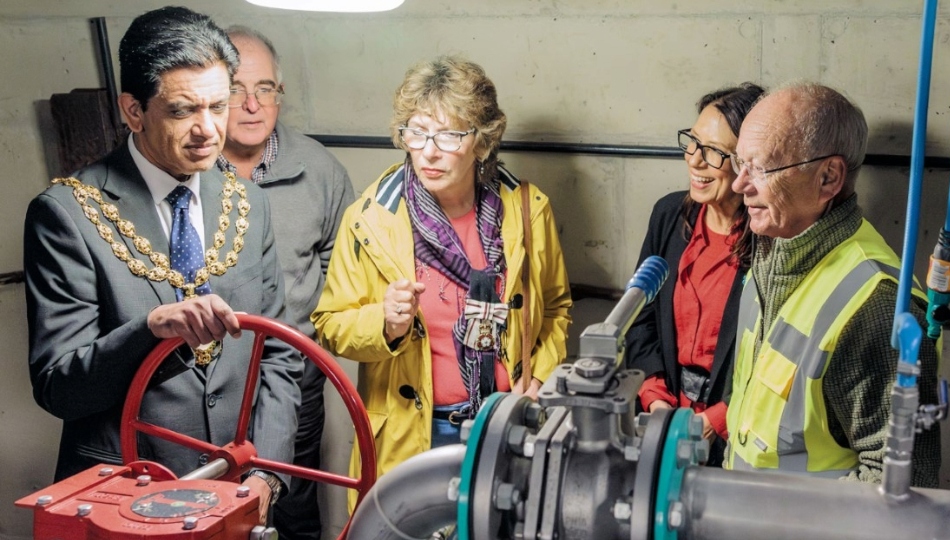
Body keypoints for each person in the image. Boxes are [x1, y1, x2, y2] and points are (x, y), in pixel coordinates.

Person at [23, 6, 301, 524]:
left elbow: (279, 356)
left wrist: (268, 474)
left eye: (218, 106)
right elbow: (59, 387)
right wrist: (149, 331)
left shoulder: (248, 203)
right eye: (182, 111)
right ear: (133, 110)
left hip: (232, 496)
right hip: (122, 499)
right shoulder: (66, 214)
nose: (208, 130)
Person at [311, 55, 572, 500]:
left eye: (450, 135)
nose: (429, 150)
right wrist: (385, 322)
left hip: (506, 423)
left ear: (481, 141)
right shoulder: (371, 218)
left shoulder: (527, 210)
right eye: (417, 131)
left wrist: (541, 378)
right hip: (412, 433)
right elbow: (330, 324)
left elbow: (556, 309)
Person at [724, 82, 940, 486]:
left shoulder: (876, 304)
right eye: (739, 164)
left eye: (761, 168)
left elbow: (897, 490)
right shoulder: (771, 254)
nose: (739, 185)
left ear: (828, 177)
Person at [217, 26, 355, 540]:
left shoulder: (320, 169)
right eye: (235, 89)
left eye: (266, 89)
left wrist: (299, 334)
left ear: (280, 94)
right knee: (212, 509)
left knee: (292, 511)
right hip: (206, 392)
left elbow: (339, 275)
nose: (252, 105)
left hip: (295, 383)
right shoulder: (186, 168)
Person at [626, 82, 764, 466]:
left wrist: (715, 419)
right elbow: (641, 318)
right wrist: (655, 398)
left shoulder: (772, 243)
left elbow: (774, 359)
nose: (694, 160)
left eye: (715, 152)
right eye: (693, 141)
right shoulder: (669, 216)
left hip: (737, 433)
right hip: (665, 420)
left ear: (746, 164)